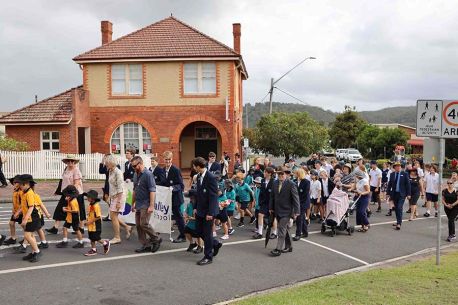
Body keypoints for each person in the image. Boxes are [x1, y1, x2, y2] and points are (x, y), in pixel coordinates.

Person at [192, 157, 223, 266]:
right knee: (198, 231)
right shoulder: (199, 176)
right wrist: (195, 207)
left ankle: (208, 256)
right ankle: (215, 243)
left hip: (208, 211)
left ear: (198, 166)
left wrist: (210, 213)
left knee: (207, 233)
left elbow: (213, 196)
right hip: (200, 209)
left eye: (194, 166)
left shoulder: (210, 177)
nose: (193, 168)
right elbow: (198, 194)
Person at [47, 155, 84, 235]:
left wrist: (71, 195)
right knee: (59, 209)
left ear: (74, 162)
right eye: (68, 161)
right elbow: (63, 181)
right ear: (66, 162)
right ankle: (55, 228)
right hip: (66, 193)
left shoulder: (76, 170)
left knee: (79, 211)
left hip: (76, 194)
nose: (70, 163)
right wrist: (58, 191)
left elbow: (77, 184)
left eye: (72, 161)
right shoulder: (66, 169)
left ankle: (81, 228)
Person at [131, 156, 162, 253]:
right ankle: (146, 244)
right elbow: (134, 190)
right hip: (139, 203)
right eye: (132, 166)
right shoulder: (135, 175)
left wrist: (151, 205)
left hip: (146, 203)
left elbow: (152, 190)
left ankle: (156, 239)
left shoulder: (148, 174)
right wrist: (132, 203)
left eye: (134, 166)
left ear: (140, 164)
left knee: (143, 223)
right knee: (138, 225)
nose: (133, 168)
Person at [269, 166, 300, 257]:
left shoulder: (291, 184)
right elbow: (272, 197)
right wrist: (271, 207)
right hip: (277, 210)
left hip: (287, 211)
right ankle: (289, 246)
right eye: (279, 174)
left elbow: (296, 199)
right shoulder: (275, 183)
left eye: (282, 173)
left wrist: (296, 211)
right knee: (284, 229)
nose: (280, 175)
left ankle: (278, 249)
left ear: (286, 174)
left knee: (281, 229)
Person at [106, 154, 132, 244]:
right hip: (114, 196)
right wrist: (109, 196)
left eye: (107, 162)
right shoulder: (110, 171)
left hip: (119, 196)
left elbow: (120, 188)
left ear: (112, 163)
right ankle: (127, 227)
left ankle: (117, 237)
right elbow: (111, 185)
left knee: (113, 216)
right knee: (113, 216)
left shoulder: (118, 172)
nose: (105, 164)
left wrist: (119, 202)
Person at [18, 174, 42, 262]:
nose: (19, 186)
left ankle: (37, 251)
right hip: (29, 217)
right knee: (31, 235)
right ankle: (33, 252)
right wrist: (18, 213)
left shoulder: (29, 193)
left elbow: (31, 207)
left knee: (27, 235)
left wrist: (24, 220)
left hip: (33, 217)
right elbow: (24, 206)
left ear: (25, 184)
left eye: (20, 184)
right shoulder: (25, 193)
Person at [162, 151, 186, 243]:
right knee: (163, 215)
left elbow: (181, 185)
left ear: (172, 159)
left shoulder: (176, 170)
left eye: (169, 159)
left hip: (176, 197)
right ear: (163, 159)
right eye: (166, 159)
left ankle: (183, 235)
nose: (167, 161)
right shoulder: (162, 170)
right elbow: (163, 183)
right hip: (167, 198)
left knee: (178, 217)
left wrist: (173, 188)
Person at [83, 190, 110, 256]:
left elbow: (98, 217)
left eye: (88, 197)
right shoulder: (91, 204)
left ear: (92, 198)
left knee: (96, 237)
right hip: (91, 225)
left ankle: (105, 243)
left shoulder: (96, 206)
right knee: (91, 237)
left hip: (96, 225)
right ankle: (94, 249)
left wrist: (89, 222)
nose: (87, 198)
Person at [387, 162, 411, 230]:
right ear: (394, 167)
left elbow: (408, 185)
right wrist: (388, 193)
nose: (398, 167)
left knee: (399, 208)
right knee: (396, 208)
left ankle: (399, 224)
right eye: (397, 166)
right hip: (394, 194)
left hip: (402, 194)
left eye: (399, 166)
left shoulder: (405, 174)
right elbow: (389, 185)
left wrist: (409, 194)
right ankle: (398, 221)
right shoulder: (392, 174)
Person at [254, 167, 275, 239]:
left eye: (265, 172)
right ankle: (260, 232)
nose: (264, 173)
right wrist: (259, 201)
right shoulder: (262, 180)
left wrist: (273, 205)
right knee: (260, 215)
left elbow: (275, 195)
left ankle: (274, 233)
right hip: (264, 202)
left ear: (269, 173)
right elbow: (261, 193)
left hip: (272, 203)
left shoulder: (274, 182)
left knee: (273, 218)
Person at [3, 175, 22, 245]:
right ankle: (13, 238)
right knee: (11, 223)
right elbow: (15, 202)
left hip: (21, 212)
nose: (14, 184)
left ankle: (28, 238)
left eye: (15, 183)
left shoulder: (21, 192)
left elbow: (22, 204)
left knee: (24, 226)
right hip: (15, 211)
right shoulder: (15, 190)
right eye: (13, 183)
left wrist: (18, 212)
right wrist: (13, 209)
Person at [293, 168, 310, 241]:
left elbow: (305, 194)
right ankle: (305, 232)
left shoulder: (306, 182)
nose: (294, 175)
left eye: (296, 173)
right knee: (302, 218)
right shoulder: (294, 181)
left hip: (303, 202)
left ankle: (298, 234)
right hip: (297, 202)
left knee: (299, 219)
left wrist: (298, 202)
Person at [183, 189, 203, 253]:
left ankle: (200, 246)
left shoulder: (199, 204)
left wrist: (189, 218)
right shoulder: (190, 204)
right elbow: (186, 212)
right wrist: (185, 216)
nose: (190, 199)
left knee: (199, 235)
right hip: (191, 223)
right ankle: (192, 243)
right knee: (185, 230)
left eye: (191, 197)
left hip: (198, 223)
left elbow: (197, 217)